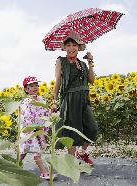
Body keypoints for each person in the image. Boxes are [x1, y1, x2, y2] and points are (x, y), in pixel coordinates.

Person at [51, 32, 98, 165]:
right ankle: (72, 162)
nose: (72, 48)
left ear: (79, 47)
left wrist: (90, 62)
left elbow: (92, 80)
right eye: (68, 45)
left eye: (74, 45)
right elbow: (57, 81)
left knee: (92, 128)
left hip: (84, 100)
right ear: (64, 48)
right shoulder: (61, 61)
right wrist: (54, 101)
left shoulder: (82, 64)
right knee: (71, 131)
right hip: (70, 100)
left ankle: (81, 152)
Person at [19, 76, 53, 180]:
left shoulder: (41, 99)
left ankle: (15, 166)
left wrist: (47, 120)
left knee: (23, 152)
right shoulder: (26, 102)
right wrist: (35, 126)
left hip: (40, 129)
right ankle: (44, 172)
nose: (35, 87)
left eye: (36, 85)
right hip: (29, 130)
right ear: (26, 89)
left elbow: (45, 113)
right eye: (31, 86)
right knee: (34, 151)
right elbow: (26, 117)